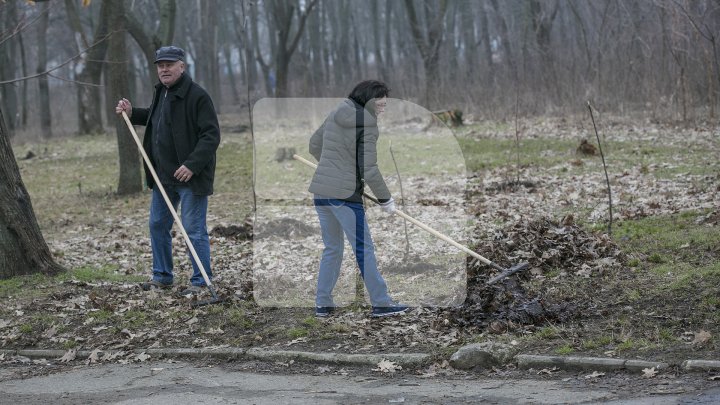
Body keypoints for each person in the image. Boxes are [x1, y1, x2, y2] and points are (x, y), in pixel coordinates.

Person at [115, 46, 220, 297]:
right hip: (162, 177)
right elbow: (156, 119)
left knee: (193, 229)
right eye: (160, 65)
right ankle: (162, 276)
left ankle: (201, 281)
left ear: (182, 66)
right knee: (157, 224)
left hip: (189, 178)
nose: (164, 69)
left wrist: (192, 164)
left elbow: (211, 136)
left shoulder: (197, 96)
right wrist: (132, 113)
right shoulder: (161, 92)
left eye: (169, 64)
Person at [309, 80, 408, 318]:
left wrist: (335, 166)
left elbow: (314, 145)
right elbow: (369, 169)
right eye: (381, 101)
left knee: (332, 248)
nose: (384, 106)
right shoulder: (368, 123)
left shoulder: (336, 113)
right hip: (344, 197)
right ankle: (382, 303)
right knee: (364, 249)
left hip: (321, 192)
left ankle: (323, 304)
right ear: (370, 100)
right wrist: (385, 199)